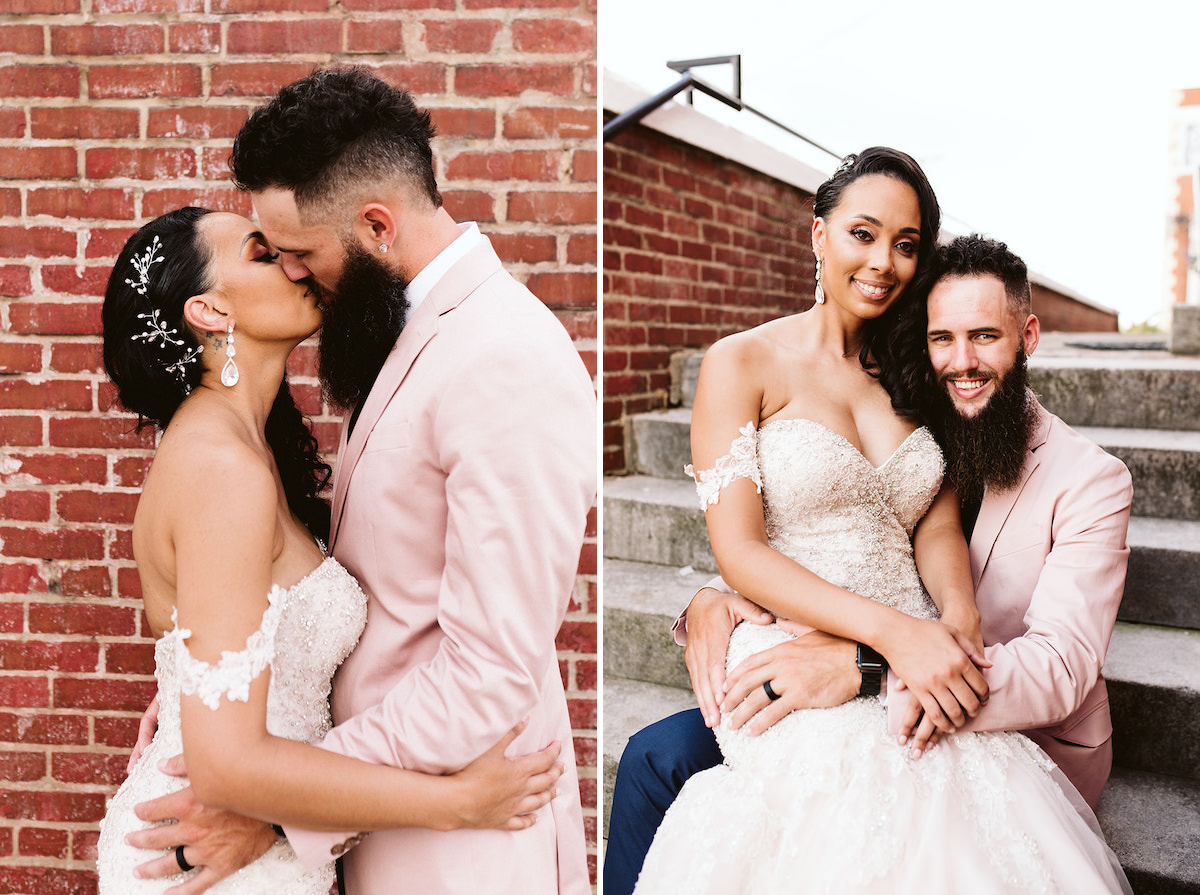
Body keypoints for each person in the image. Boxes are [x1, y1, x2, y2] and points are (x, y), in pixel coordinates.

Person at [122, 68, 596, 895]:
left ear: (376, 225)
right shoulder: (387, 330)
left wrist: (271, 801)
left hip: (461, 843)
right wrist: (213, 698)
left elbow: (489, 672)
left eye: (301, 253)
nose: (299, 275)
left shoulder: (506, 357)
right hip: (377, 825)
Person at [618, 149, 1131, 893]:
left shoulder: (916, 379)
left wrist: (951, 620)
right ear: (818, 235)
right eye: (864, 233)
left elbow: (932, 523)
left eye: (906, 244)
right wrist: (723, 601)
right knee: (675, 768)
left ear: (1026, 336)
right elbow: (740, 547)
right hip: (812, 641)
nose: (884, 261)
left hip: (938, 669)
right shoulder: (742, 362)